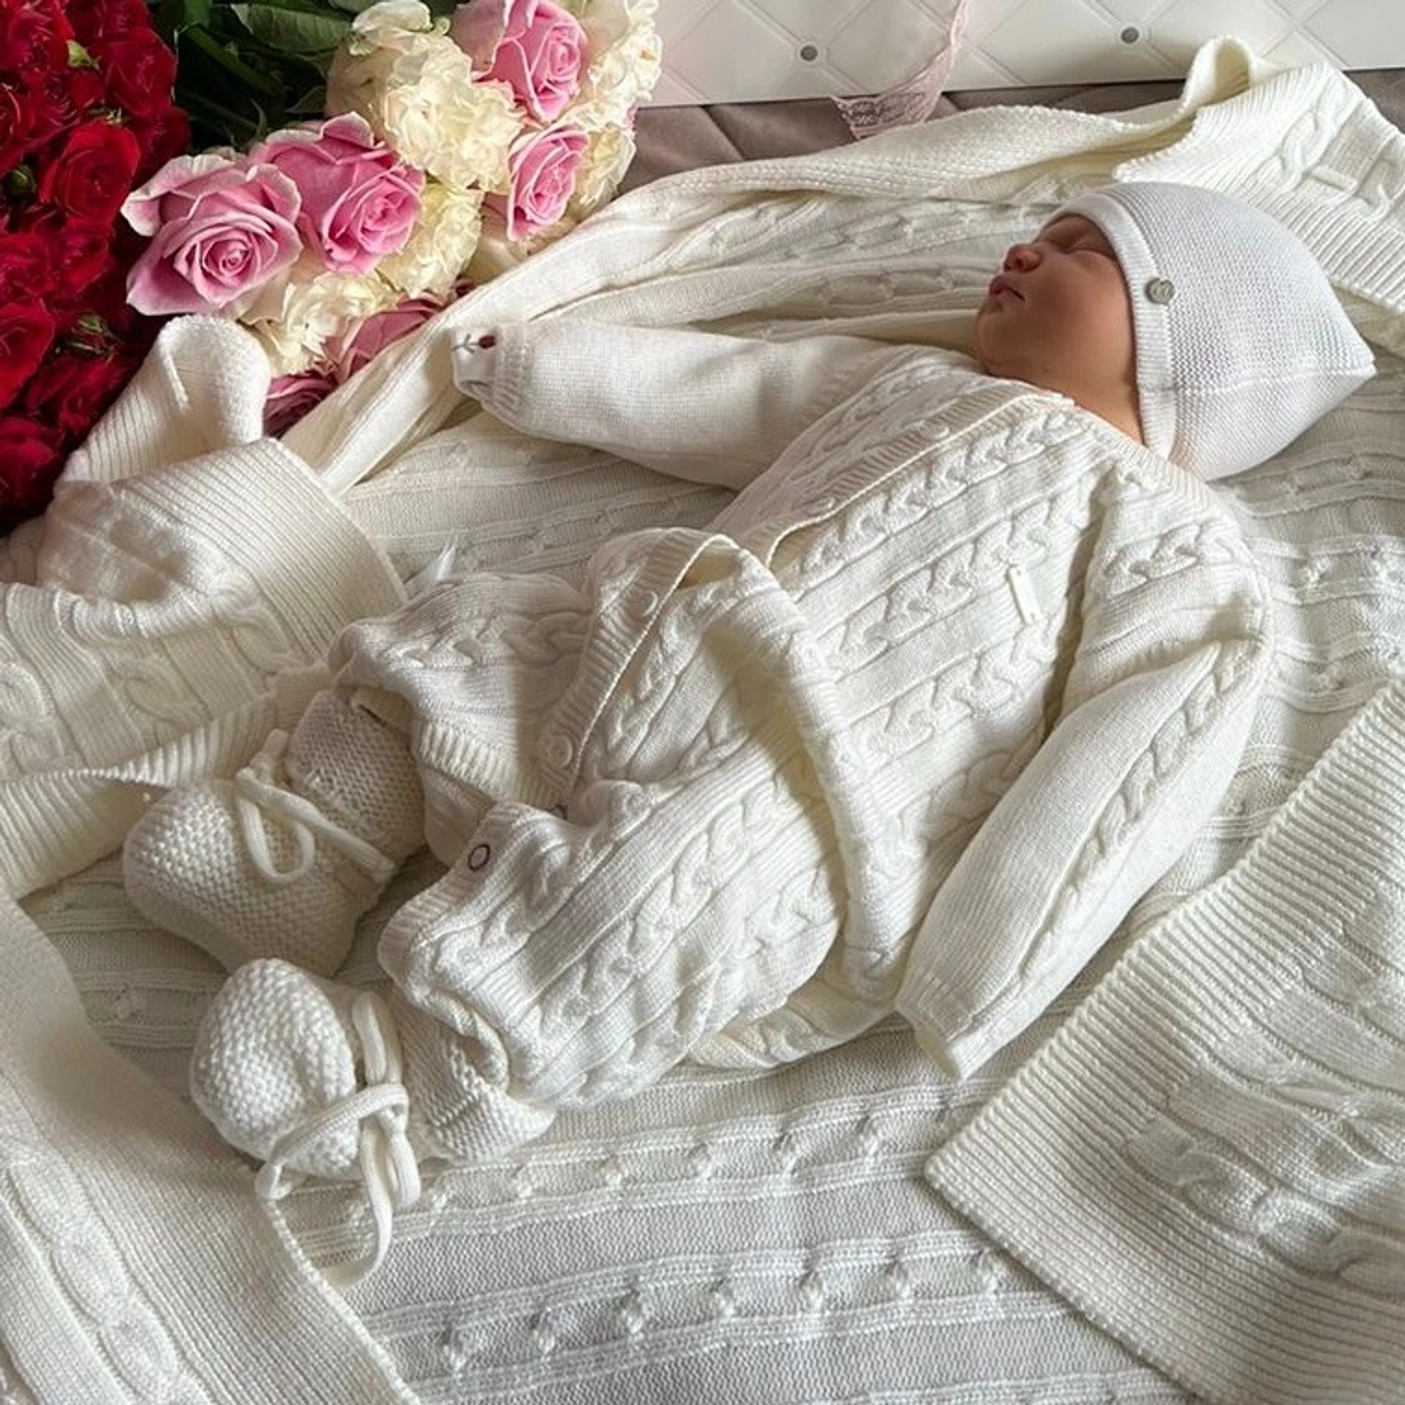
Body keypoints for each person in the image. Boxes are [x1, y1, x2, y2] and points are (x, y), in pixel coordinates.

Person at [121, 182, 1373, 1281]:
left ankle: (395, 1068)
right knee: (460, 636)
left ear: (1179, 343)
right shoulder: (914, 383)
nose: (1027, 252)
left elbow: (1136, 756)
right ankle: (300, 843)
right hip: (645, 642)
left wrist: (984, 960)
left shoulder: (1167, 532)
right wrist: (539, 369)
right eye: (1042, 231)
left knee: (645, 904)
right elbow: (734, 394)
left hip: (810, 789)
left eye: (1084, 251)